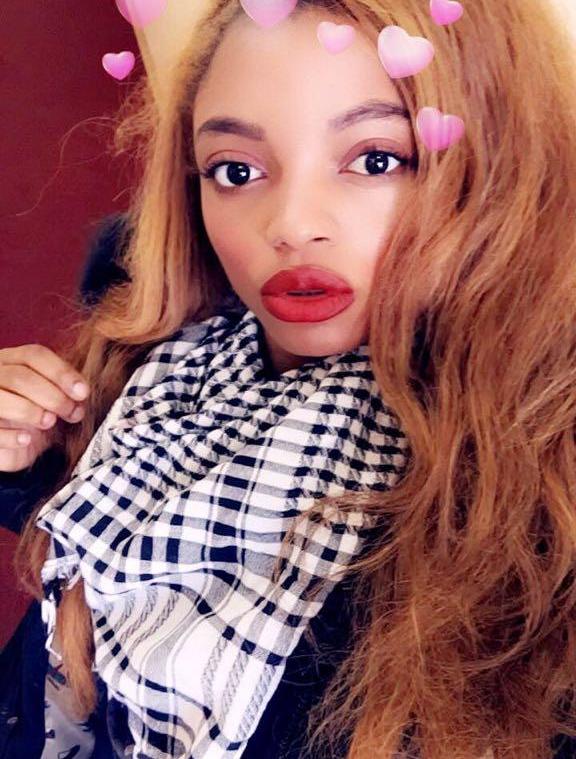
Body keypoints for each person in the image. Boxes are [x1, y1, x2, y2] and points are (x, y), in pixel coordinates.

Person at [1, 0, 575, 755]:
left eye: (377, 159)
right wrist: (25, 452)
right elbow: (98, 550)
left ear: (498, 169)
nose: (292, 225)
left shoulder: (543, 460)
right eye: (236, 171)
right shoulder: (160, 362)